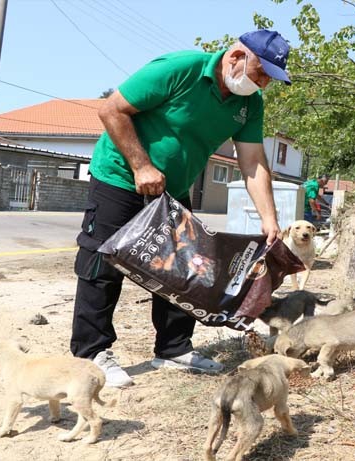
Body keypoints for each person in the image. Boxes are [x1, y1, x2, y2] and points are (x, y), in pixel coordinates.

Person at [71, 30, 291, 387]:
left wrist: (269, 219)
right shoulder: (179, 69)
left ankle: (173, 348)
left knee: (185, 265)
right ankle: (92, 353)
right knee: (101, 264)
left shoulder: (249, 104)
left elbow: (252, 161)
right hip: (119, 176)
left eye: (269, 78)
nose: (263, 84)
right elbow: (111, 110)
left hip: (171, 188)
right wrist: (141, 165)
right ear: (236, 57)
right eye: (260, 72)